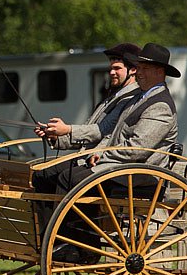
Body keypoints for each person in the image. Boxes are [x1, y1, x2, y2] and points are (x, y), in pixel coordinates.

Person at [36, 43, 180, 263]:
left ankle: (85, 247)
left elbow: (137, 149)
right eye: (138, 67)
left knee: (72, 178)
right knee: (47, 173)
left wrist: (101, 157)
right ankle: (51, 239)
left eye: (143, 68)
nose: (137, 71)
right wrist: (90, 147)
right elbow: (108, 134)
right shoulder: (137, 98)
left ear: (159, 72)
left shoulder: (161, 106)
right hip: (121, 167)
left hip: (140, 175)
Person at [32, 43, 142, 195]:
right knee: (40, 176)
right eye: (111, 68)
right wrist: (55, 137)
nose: (111, 72)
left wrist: (67, 129)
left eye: (117, 68)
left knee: (60, 178)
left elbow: (102, 131)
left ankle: (62, 219)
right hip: (86, 157)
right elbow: (86, 130)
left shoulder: (131, 99)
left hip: (99, 161)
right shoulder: (111, 97)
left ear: (133, 70)